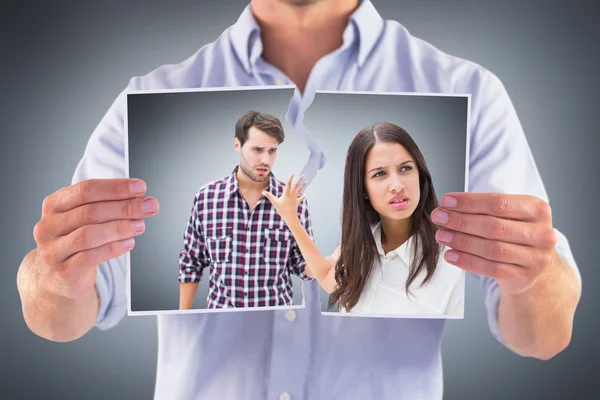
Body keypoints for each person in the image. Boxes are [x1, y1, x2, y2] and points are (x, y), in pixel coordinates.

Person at [16, 1, 582, 399]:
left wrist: (533, 273)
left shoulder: (471, 93)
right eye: (257, 150)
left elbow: (543, 336)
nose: (394, 182)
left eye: (402, 169)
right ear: (237, 146)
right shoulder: (151, 102)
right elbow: (65, 315)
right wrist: (52, 276)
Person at [263, 123, 464, 317]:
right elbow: (326, 278)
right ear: (363, 189)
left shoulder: (454, 264)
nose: (397, 185)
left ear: (420, 175)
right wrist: (291, 219)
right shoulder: (359, 248)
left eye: (405, 169)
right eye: (380, 174)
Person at [178, 110, 314, 310]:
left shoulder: (294, 202)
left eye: (272, 151)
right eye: (257, 149)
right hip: (220, 323)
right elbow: (191, 262)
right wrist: (183, 320)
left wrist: (332, 264)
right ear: (237, 145)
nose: (266, 160)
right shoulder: (207, 198)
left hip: (277, 326)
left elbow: (304, 266)